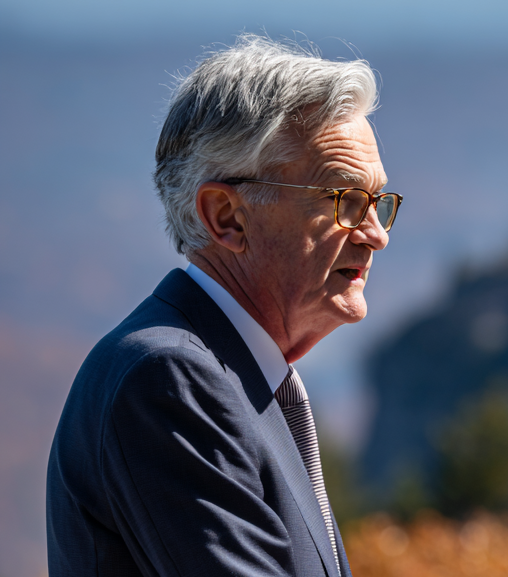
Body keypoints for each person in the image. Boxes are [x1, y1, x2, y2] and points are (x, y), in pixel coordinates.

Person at [46, 35, 400, 576]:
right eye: (344, 201)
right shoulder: (169, 378)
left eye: (378, 202)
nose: (376, 235)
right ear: (227, 217)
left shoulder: (242, 378)